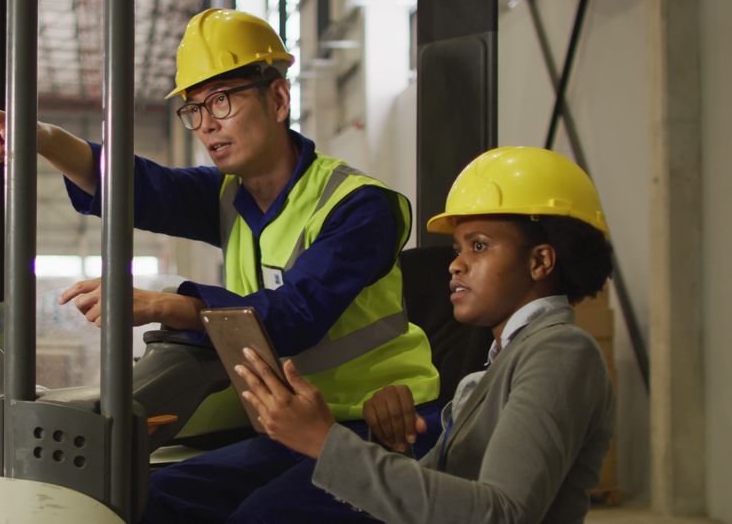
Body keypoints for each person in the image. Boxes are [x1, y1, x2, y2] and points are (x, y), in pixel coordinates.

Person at [0, 8, 440, 523]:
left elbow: (296, 315)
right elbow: (144, 188)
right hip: (288, 426)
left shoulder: (358, 206)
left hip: (385, 423)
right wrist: (47, 141)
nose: (207, 124)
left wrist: (173, 306)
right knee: (151, 496)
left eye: (222, 100)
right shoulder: (230, 195)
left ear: (278, 99)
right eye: (193, 110)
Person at [236, 146, 616, 523]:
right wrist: (394, 448)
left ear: (540, 262)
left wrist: (323, 440)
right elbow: (447, 499)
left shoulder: (560, 350)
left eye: (479, 246)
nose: (456, 265)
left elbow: (502, 513)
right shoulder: (505, 359)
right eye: (458, 248)